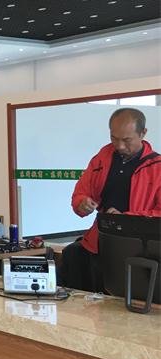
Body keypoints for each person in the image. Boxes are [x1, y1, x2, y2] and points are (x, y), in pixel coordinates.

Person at [60, 107, 161, 292]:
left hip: (137, 251)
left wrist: (125, 218)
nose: (120, 146)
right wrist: (82, 203)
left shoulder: (157, 168)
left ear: (143, 133)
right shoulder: (101, 159)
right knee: (89, 298)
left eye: (126, 140)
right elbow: (80, 194)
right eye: (114, 138)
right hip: (99, 244)